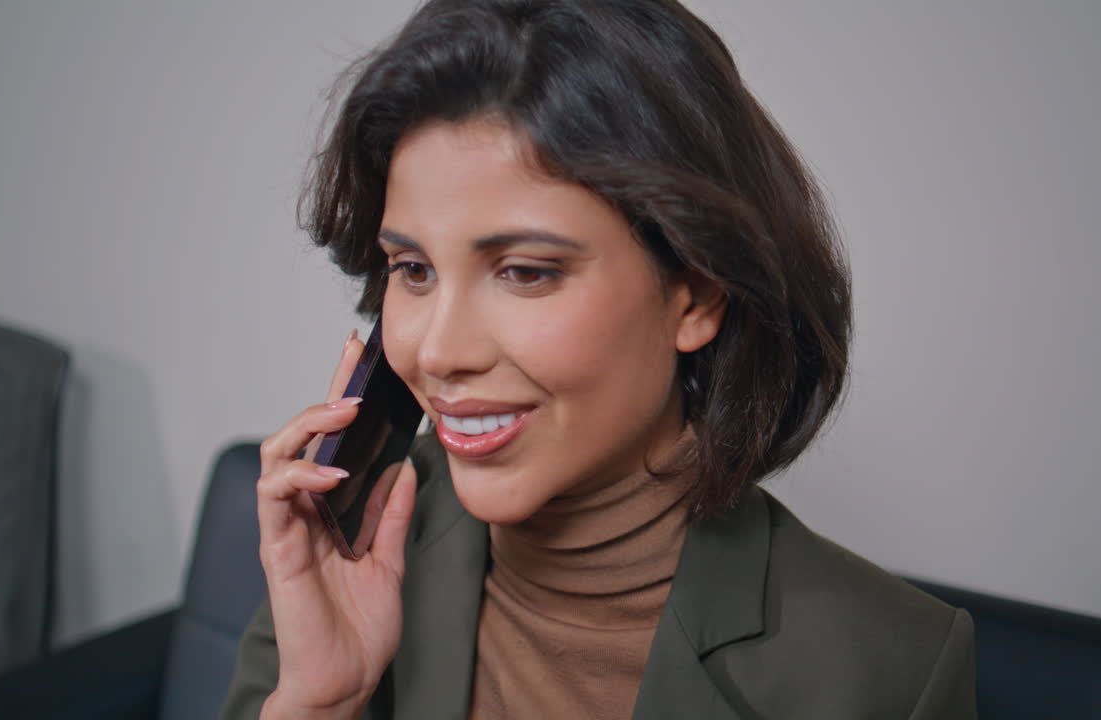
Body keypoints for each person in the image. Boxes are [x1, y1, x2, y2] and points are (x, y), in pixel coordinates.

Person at [221, 0, 977, 718]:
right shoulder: (344, 542)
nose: (441, 352)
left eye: (525, 271)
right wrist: (319, 706)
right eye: (412, 270)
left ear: (697, 295)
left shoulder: (887, 671)